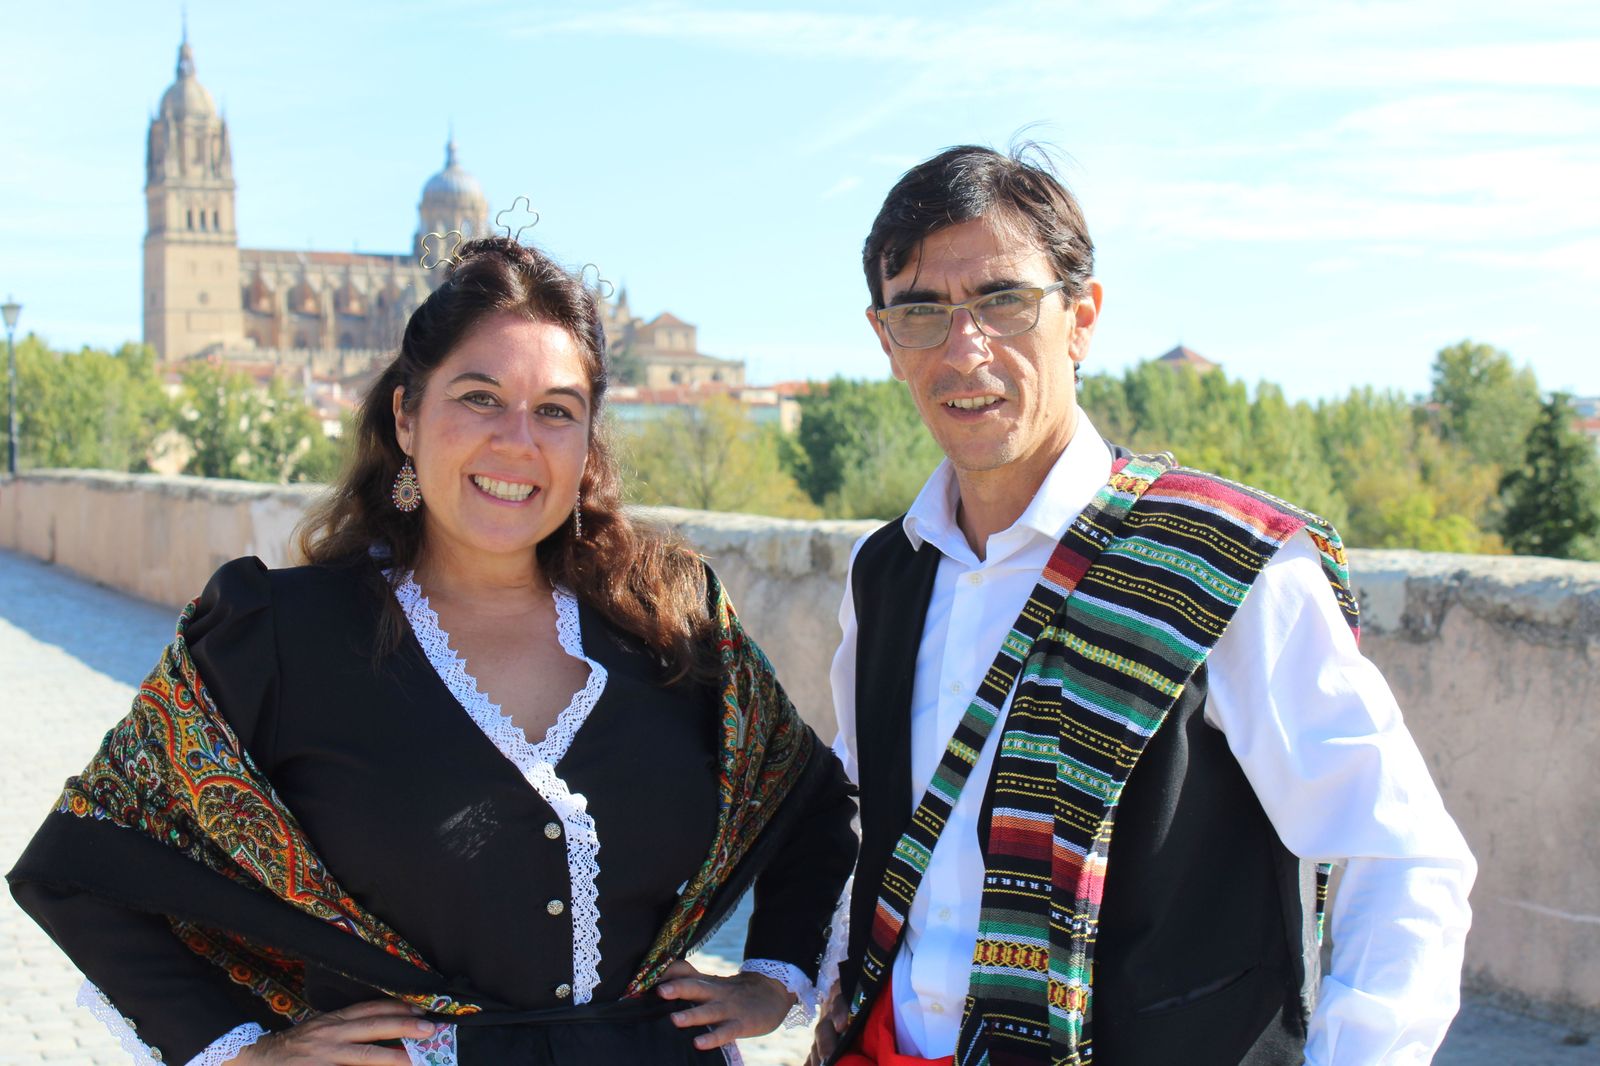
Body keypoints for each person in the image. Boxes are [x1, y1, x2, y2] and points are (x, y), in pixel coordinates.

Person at [9, 237, 857, 1065]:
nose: (517, 441)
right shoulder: (279, 633)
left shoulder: (673, 618)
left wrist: (773, 978)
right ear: (407, 417)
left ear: (587, 445)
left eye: (556, 410)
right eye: (480, 397)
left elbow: (812, 801)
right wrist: (244, 1051)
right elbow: (82, 862)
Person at [814, 146, 1476, 1065]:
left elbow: (1400, 855)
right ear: (886, 340)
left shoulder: (1226, 566)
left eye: (1006, 300)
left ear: (1081, 317)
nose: (966, 349)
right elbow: (864, 816)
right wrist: (798, 975)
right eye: (922, 311)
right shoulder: (885, 572)